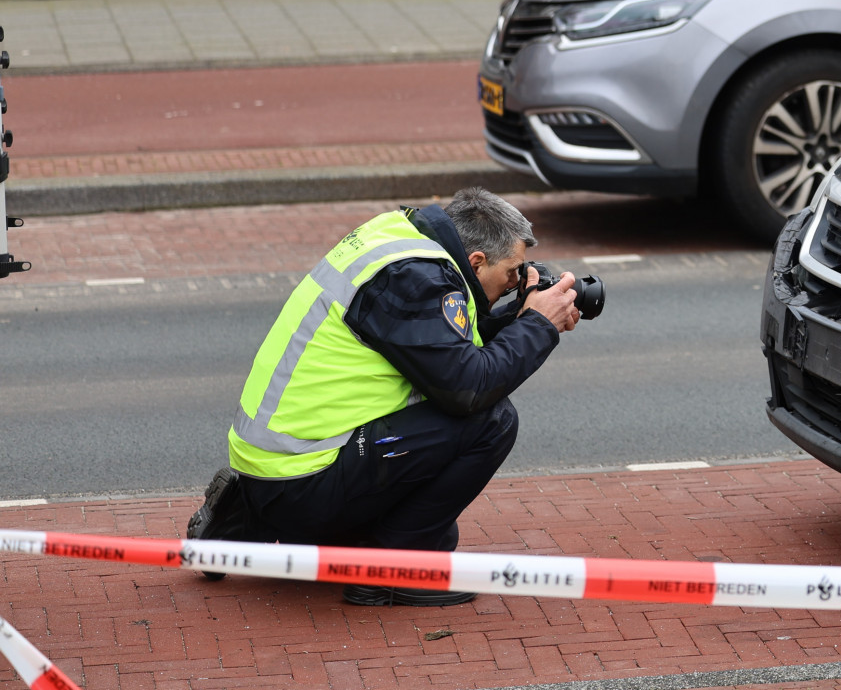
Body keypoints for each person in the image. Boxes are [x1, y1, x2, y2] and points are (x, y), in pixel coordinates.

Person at [185, 187, 580, 607]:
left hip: (274, 468)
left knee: (431, 525)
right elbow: (469, 389)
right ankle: (391, 572)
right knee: (491, 422)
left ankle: (238, 522)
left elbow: (440, 346)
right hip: (308, 480)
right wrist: (537, 326)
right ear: (477, 261)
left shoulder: (398, 243)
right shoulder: (417, 278)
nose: (516, 282)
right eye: (513, 272)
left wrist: (519, 318)